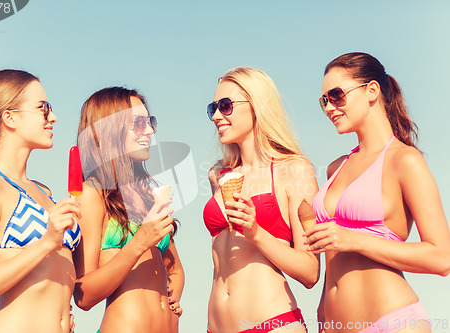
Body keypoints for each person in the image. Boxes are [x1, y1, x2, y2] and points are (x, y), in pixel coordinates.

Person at [308, 52, 450, 333]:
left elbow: (441, 258)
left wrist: (354, 239)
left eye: (336, 95)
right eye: (324, 100)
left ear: (372, 90)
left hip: (391, 322)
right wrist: (324, 306)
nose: (329, 107)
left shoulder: (404, 160)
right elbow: (333, 253)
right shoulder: (336, 168)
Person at [0, 69, 81, 333]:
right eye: (43, 108)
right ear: (9, 117)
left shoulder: (44, 192)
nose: (53, 118)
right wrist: (47, 241)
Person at [203, 67, 320, 333]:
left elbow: (311, 271)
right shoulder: (218, 175)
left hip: (271, 325)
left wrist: (255, 232)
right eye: (213, 108)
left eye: (225, 106)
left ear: (257, 106)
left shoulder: (294, 170)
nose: (217, 116)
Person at [72, 87, 184, 333]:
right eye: (139, 123)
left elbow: (174, 267)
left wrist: (173, 292)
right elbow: (83, 295)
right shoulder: (91, 194)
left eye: (150, 122)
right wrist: (138, 242)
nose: (150, 131)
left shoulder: (146, 193)